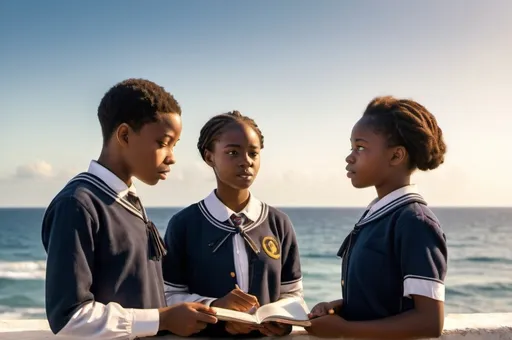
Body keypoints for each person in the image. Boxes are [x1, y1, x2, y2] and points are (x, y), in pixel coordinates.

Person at [41, 79, 217, 340]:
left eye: (174, 145)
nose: (172, 157)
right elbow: (69, 319)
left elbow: (146, 294)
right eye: (163, 142)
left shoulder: (126, 201)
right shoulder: (78, 205)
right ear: (124, 135)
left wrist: (213, 307)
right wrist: (163, 319)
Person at [306, 96, 448, 339]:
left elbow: (429, 321)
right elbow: (385, 299)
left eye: (360, 147)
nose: (350, 157)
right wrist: (340, 307)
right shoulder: (377, 217)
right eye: (351, 148)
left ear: (396, 156)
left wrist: (345, 330)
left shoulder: (414, 222)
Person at [161, 111, 305, 337]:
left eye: (253, 153)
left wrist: (282, 318)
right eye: (232, 152)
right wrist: (216, 307)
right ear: (210, 157)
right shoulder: (184, 225)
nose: (246, 161)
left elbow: (293, 294)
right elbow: (169, 296)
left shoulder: (279, 223)